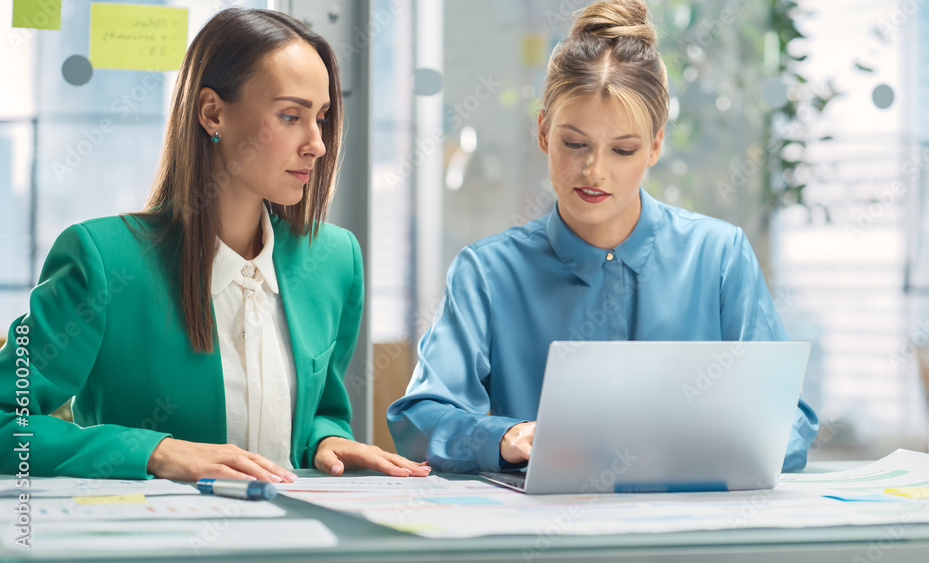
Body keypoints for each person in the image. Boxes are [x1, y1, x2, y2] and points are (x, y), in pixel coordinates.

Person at [388, 0, 818, 474]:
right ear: (544, 132)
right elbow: (418, 423)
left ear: (655, 145)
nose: (594, 171)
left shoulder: (719, 257)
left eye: (623, 149)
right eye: (575, 144)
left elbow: (790, 421)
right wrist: (506, 436)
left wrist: (697, 444)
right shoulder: (486, 273)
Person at [0, 8, 429, 482]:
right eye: (290, 116)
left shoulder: (333, 260)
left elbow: (322, 411)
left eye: (321, 117)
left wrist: (328, 440)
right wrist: (154, 451)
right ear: (212, 113)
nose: (317, 143)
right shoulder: (102, 258)